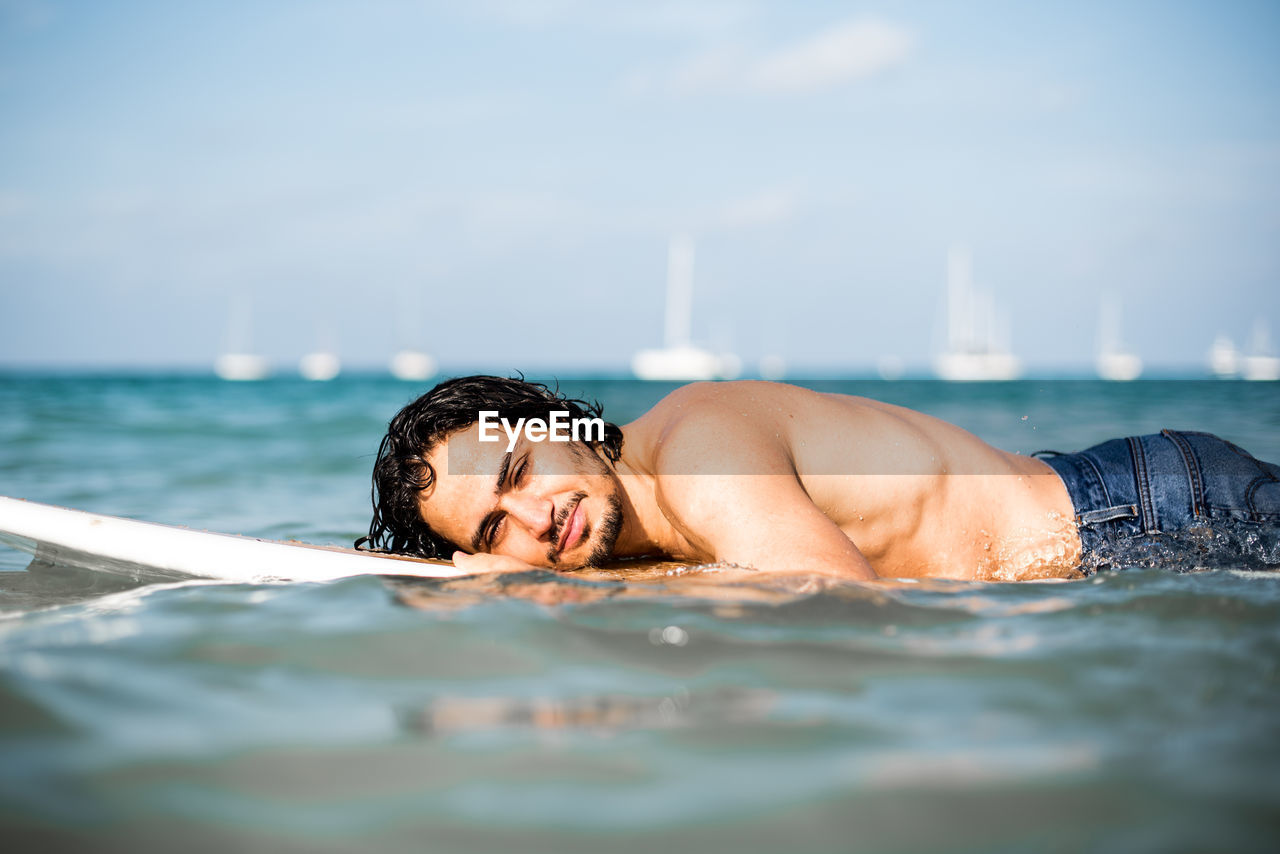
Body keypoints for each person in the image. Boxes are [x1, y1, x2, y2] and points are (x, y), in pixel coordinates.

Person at [359, 376, 1280, 582]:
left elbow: (834, 602)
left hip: (1148, 512)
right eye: (492, 530)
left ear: (562, 426)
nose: (533, 515)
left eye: (519, 470)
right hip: (1110, 520)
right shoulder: (641, 524)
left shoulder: (695, 451)